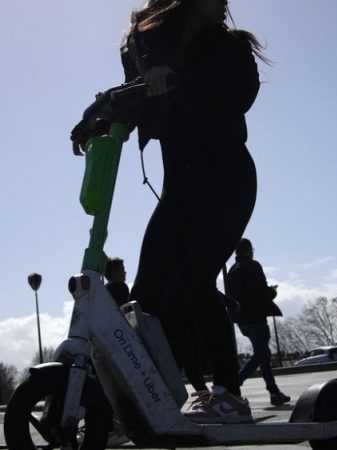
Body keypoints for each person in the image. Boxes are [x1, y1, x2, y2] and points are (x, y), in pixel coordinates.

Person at [72, 0, 266, 424]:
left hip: (226, 179)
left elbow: (240, 93)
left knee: (195, 282)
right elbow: (127, 99)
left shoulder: (231, 48)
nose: (226, 2)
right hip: (181, 188)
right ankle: (182, 391)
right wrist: (93, 119)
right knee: (148, 297)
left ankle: (230, 396)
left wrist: (181, 81)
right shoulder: (154, 51)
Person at [226, 238, 291, 406]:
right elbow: (261, 291)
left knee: (265, 355)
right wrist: (272, 292)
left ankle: (274, 392)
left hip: (242, 321)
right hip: (256, 317)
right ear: (249, 250)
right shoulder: (253, 266)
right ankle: (234, 384)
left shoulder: (232, 270)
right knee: (261, 355)